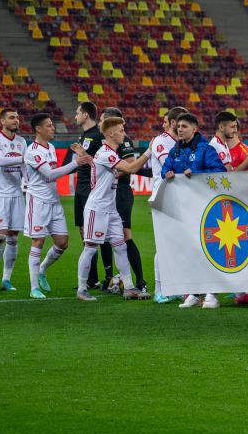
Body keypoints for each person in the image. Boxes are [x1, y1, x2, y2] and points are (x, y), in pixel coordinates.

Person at [76, 116, 152, 302]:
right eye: (120, 130)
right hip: (97, 208)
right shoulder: (106, 153)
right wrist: (149, 151)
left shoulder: (109, 153)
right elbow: (132, 168)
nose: (124, 134)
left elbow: (119, 171)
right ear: (110, 133)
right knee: (90, 248)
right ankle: (81, 289)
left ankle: (129, 287)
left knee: (120, 247)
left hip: (110, 209)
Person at [162, 112, 227, 309]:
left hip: (205, 208)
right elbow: (165, 169)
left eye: (184, 126)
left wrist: (198, 174)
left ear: (194, 129)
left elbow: (220, 172)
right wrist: (169, 173)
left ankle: (212, 294)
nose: (179, 129)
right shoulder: (175, 151)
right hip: (184, 208)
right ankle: (194, 292)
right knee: (189, 250)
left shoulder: (205, 149)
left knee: (207, 250)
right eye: (178, 127)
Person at [23, 113, 91, 299]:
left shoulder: (51, 147)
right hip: (38, 201)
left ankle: (42, 269)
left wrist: (76, 160)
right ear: (38, 129)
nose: (53, 128)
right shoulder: (32, 151)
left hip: (54, 201)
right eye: (49, 125)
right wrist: (75, 163)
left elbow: (57, 171)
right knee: (38, 241)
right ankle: (34, 287)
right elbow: (50, 174)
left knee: (62, 243)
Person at [101, 107, 150, 296]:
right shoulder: (106, 143)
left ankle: (140, 282)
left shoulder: (125, 141)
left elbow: (130, 166)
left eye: (103, 119)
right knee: (107, 237)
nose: (101, 123)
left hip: (120, 192)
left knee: (124, 236)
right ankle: (114, 280)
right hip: (107, 194)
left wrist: (110, 174)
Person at [0, 108, 27, 292]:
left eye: (17, 117)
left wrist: (28, 183)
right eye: (11, 118)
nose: (16, 120)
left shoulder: (22, 141)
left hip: (16, 194)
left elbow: (25, 168)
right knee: (1, 236)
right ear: (2, 121)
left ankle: (6, 279)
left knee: (13, 239)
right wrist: (26, 158)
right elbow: (1, 161)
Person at [150, 105, 187, 304]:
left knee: (179, 243)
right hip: (162, 195)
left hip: (179, 196)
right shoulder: (161, 141)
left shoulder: (182, 142)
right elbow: (171, 166)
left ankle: (176, 286)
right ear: (172, 123)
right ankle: (159, 289)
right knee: (164, 245)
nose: (183, 127)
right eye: (180, 124)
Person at [69, 101, 108, 289]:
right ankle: (92, 278)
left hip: (92, 188)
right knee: (84, 232)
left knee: (95, 234)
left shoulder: (98, 137)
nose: (75, 116)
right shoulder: (84, 135)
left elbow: (103, 162)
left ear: (85, 115)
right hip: (81, 187)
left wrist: (83, 155)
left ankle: (107, 276)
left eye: (78, 113)